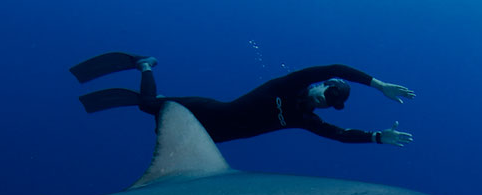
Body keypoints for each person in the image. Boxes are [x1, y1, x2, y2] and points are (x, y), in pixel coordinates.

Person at [69, 52, 415, 146]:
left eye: (332, 102)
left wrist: (376, 137)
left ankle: (159, 99)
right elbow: (334, 65)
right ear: (319, 85)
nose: (327, 100)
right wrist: (376, 83)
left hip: (212, 137)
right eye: (329, 92)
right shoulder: (289, 85)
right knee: (147, 107)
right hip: (209, 111)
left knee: (157, 121)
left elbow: (338, 135)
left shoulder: (303, 119)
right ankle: (144, 65)